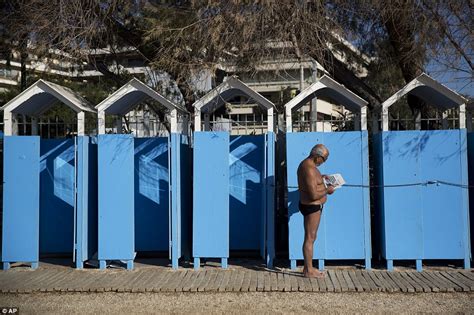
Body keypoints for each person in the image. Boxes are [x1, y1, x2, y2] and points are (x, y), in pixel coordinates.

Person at [297, 144, 335, 278]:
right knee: (310, 238)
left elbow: (312, 183)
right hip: (311, 206)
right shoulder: (309, 168)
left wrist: (321, 178)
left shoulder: (310, 166)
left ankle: (308, 267)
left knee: (311, 237)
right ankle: (308, 270)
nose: (324, 162)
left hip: (312, 205)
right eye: (324, 159)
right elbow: (313, 195)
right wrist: (327, 190)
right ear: (317, 157)